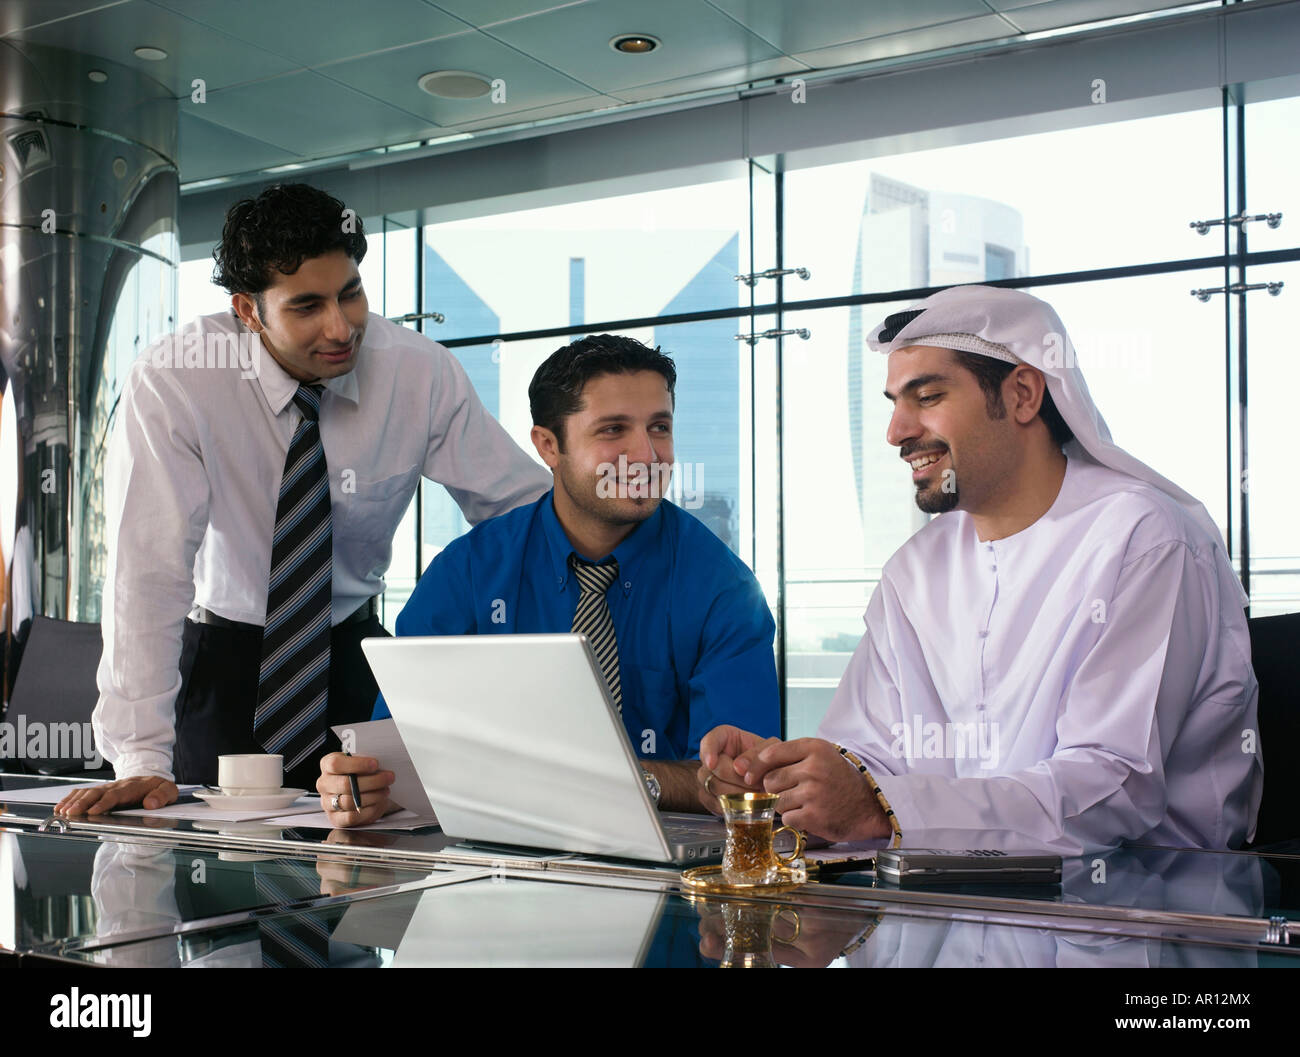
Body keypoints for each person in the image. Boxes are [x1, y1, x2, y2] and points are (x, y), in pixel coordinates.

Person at [698, 285, 1262, 855]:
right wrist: (782, 778)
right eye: (894, 402)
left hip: (1134, 913)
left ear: (1021, 394)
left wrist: (879, 809)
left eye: (927, 396)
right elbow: (872, 757)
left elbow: (1113, 786)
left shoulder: (1144, 541)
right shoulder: (914, 571)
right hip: (948, 906)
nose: (896, 431)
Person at [58, 184, 550, 817]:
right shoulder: (178, 378)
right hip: (221, 661)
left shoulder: (417, 374)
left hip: (352, 657)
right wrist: (140, 758)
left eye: (351, 294)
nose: (340, 327)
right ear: (248, 311)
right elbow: (149, 575)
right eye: (307, 306)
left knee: (364, 874)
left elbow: (521, 514)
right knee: (219, 884)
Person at [319, 334, 780, 826]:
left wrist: (607, 783)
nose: (646, 455)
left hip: (670, 870)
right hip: (495, 860)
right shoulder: (468, 572)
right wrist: (365, 786)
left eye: (659, 427)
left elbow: (738, 783)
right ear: (548, 446)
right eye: (613, 430)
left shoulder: (724, 590)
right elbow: (399, 752)